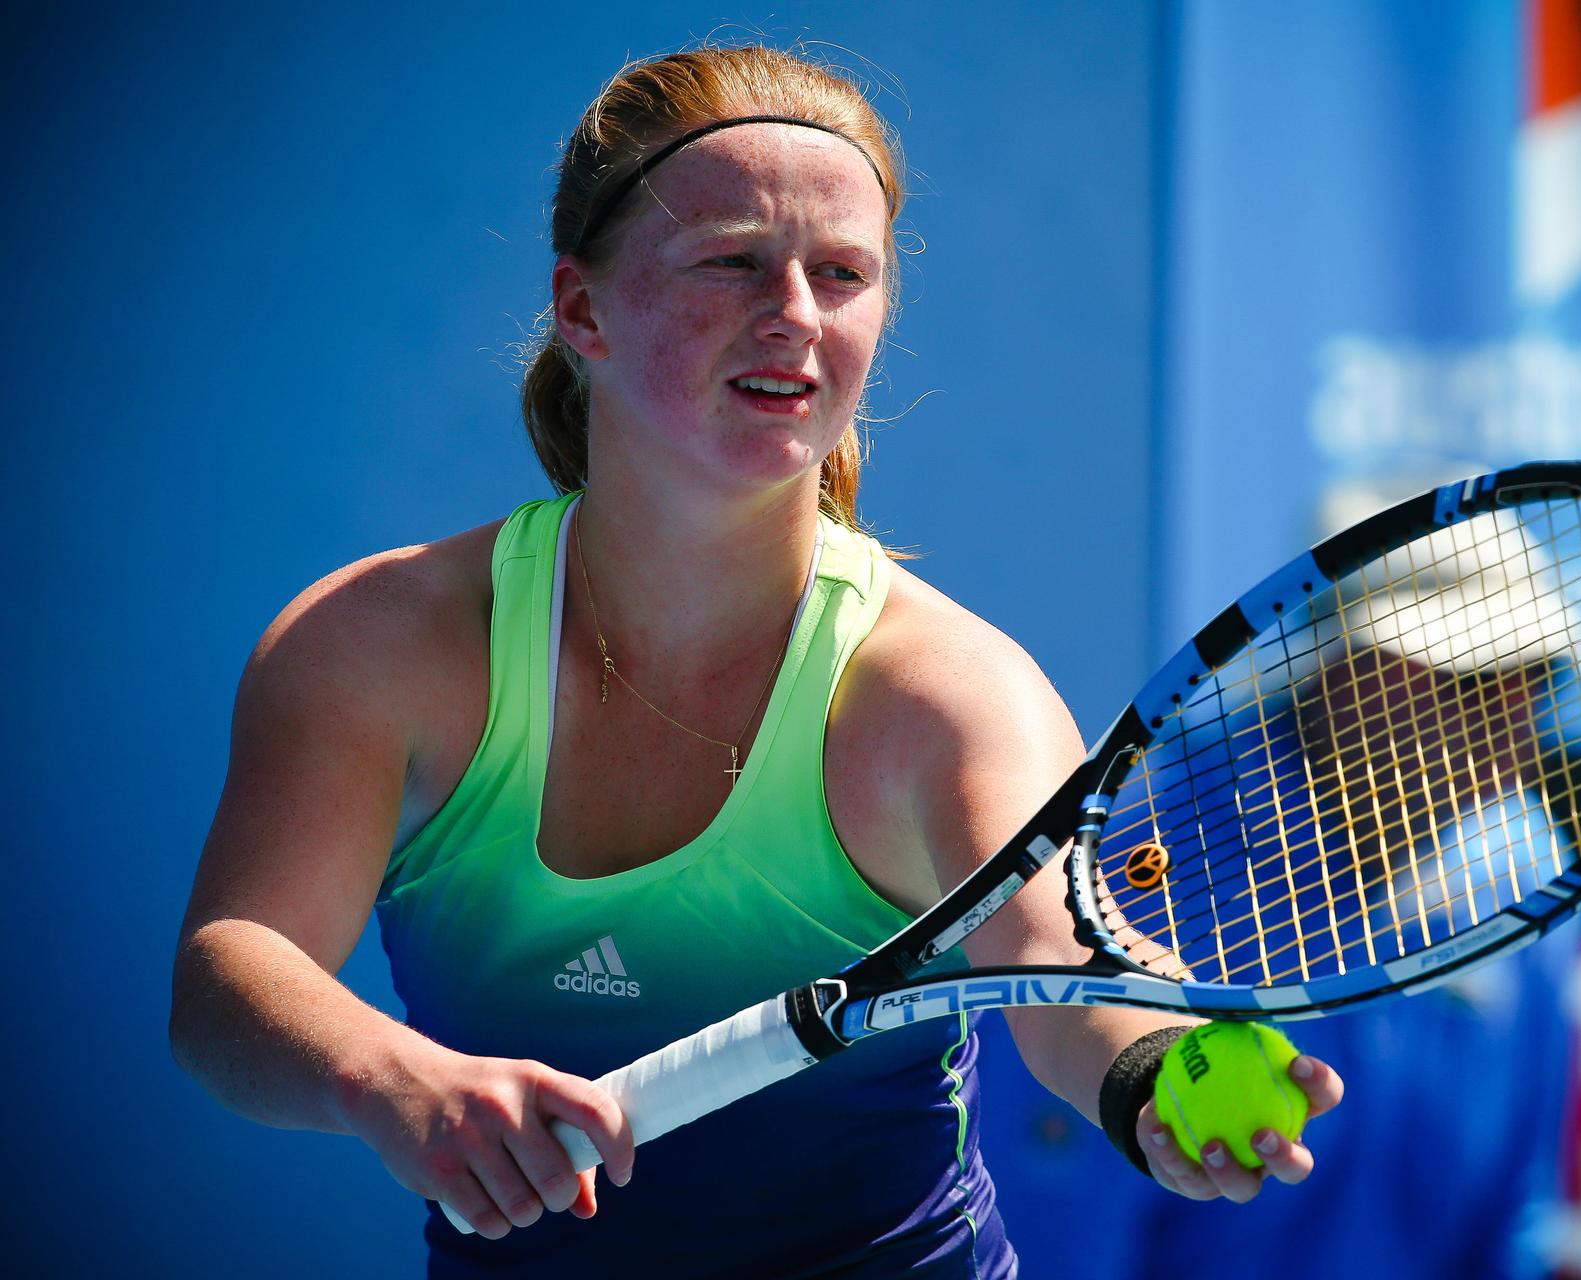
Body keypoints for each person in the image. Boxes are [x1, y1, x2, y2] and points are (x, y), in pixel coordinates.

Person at [169, 44, 1343, 1277]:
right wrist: (384, 1076)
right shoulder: (378, 643)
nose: (794, 312)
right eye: (732, 260)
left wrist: (1147, 1066)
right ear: (582, 309)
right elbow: (231, 973)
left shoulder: (945, 695)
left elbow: (1054, 957)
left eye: (843, 274)